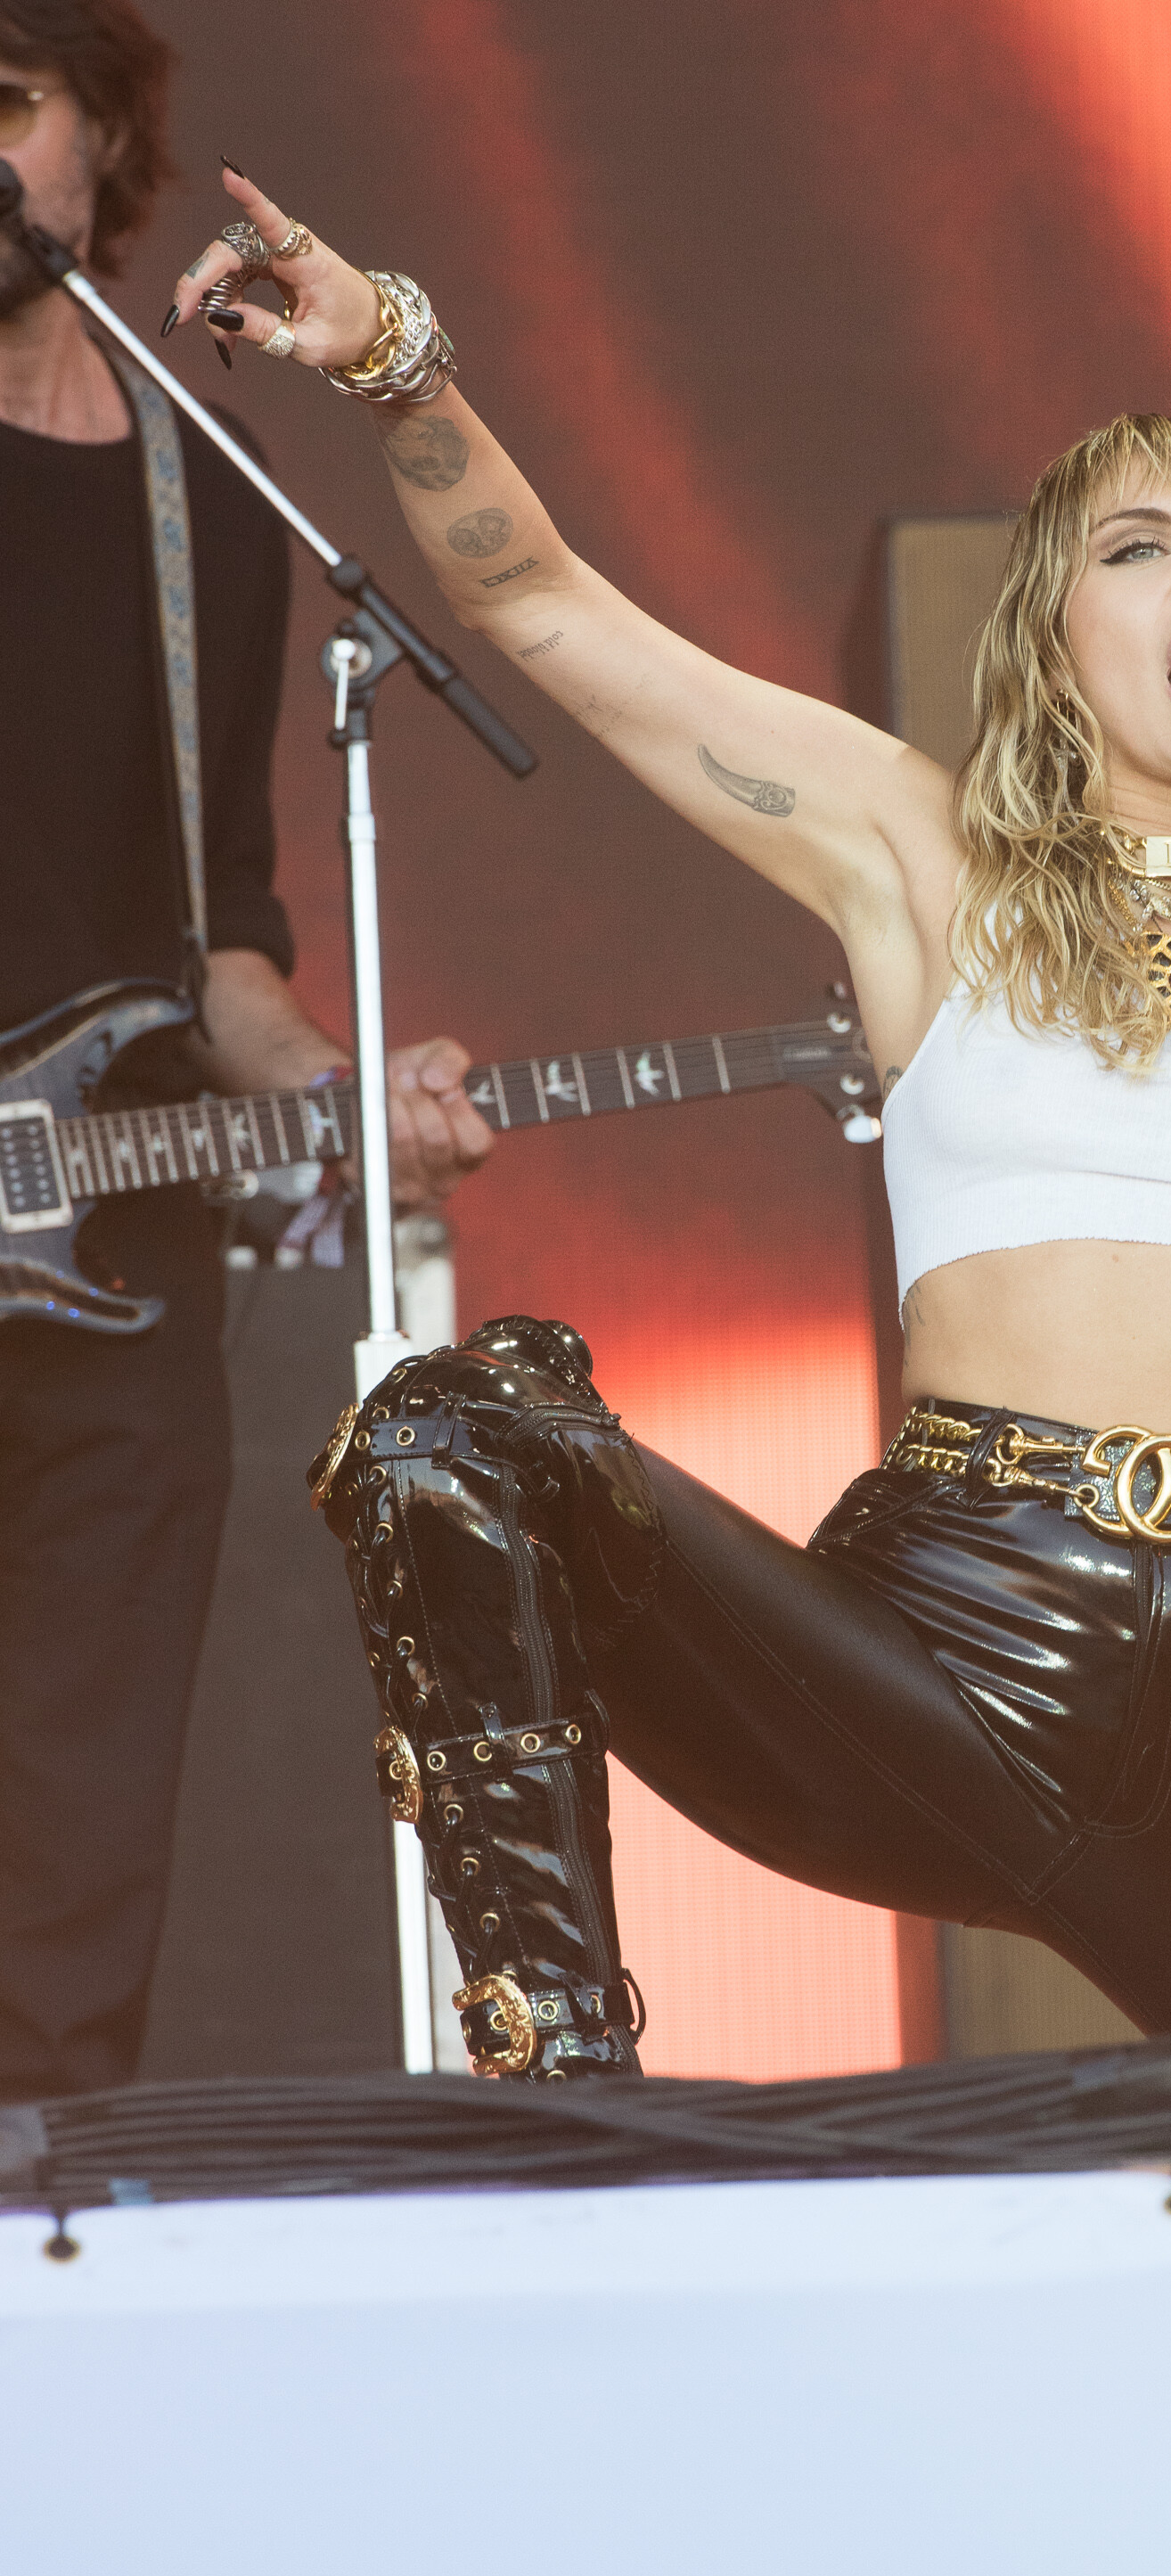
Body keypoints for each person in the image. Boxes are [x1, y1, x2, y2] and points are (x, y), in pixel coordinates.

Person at [168, 170, 1171, 2079]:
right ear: (1058, 636)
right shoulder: (933, 860)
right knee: (443, 1433)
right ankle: (572, 2101)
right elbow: (543, 605)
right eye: (1141, 550)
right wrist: (397, 363)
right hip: (944, 1638)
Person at [0, 3, 494, 2102]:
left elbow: (215, 944)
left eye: (4, 103)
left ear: (102, 134)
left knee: (79, 1843)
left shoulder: (201, 495)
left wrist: (340, 1097)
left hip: (116, 1274)